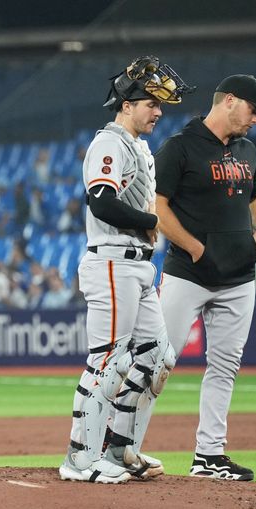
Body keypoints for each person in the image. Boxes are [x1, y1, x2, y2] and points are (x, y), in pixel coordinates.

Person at [113, 74, 256, 482]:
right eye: (253, 110)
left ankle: (209, 455)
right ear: (230, 102)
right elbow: (158, 206)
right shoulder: (181, 147)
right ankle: (122, 448)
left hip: (239, 277)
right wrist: (196, 248)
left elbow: (255, 196)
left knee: (225, 366)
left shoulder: (248, 150)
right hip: (188, 274)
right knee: (157, 360)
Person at [59, 55, 193, 484]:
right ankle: (80, 459)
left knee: (158, 356)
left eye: (160, 105)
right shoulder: (109, 143)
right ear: (127, 103)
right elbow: (100, 200)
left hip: (137, 265)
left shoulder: (138, 146)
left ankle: (119, 448)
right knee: (108, 361)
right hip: (113, 261)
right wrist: (155, 222)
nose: (158, 111)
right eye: (151, 103)